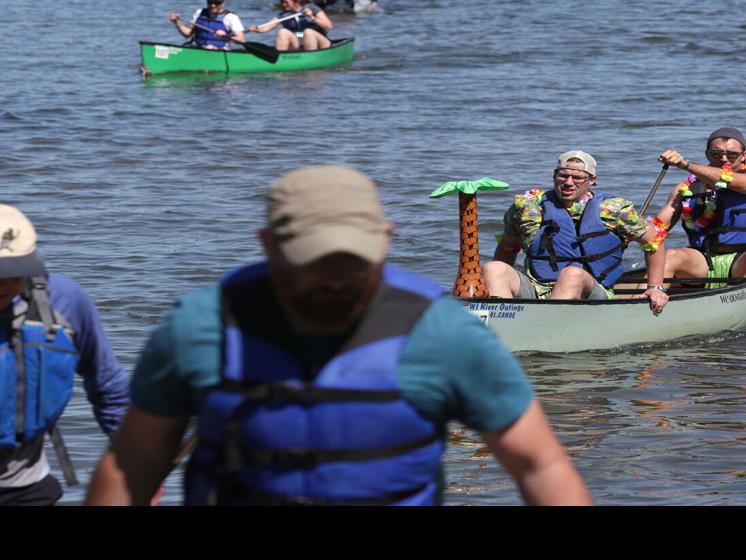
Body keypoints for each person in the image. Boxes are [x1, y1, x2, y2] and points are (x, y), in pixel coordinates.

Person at [86, 165, 592, 506]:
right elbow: (135, 460)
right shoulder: (200, 327)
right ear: (267, 244)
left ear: (385, 239)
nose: (332, 279)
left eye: (351, 261)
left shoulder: (440, 331)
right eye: (309, 263)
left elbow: (538, 463)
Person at [1, 205, 130, 507]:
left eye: (12, 272)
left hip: (26, 490)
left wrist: (136, 475)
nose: (2, 284)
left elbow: (109, 389)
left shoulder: (65, 302)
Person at [483, 151, 667, 314]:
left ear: (592, 180)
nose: (569, 183)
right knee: (494, 268)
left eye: (578, 178)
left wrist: (655, 287)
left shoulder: (612, 209)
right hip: (537, 288)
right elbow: (507, 248)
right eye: (563, 175)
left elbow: (655, 242)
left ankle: (545, 327)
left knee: (572, 273)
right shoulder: (527, 206)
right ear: (554, 176)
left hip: (590, 291)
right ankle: (500, 322)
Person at [647, 128, 746, 315]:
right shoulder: (686, 188)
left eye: (732, 154)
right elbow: (656, 228)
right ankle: (649, 301)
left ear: (744, 155)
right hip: (703, 261)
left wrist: (685, 164)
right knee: (671, 255)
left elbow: (732, 181)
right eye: (716, 154)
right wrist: (626, 228)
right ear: (707, 155)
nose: (724, 159)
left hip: (745, 257)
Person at [251, 0, 332, 51]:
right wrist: (257, 29)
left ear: (296, 1)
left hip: (321, 43)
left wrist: (312, 17)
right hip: (300, 42)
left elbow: (328, 26)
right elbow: (266, 27)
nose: (283, 4)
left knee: (308, 32)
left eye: (286, 2)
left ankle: (311, 58)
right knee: (283, 32)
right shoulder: (283, 15)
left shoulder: (312, 8)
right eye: (282, 2)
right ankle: (281, 59)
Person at [169, 0, 247, 50]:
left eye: (217, 2)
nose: (213, 5)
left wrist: (226, 36)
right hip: (198, 48)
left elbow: (242, 40)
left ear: (224, 2)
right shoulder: (199, 12)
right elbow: (187, 34)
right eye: (210, 2)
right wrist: (177, 23)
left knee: (210, 48)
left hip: (218, 51)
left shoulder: (231, 17)